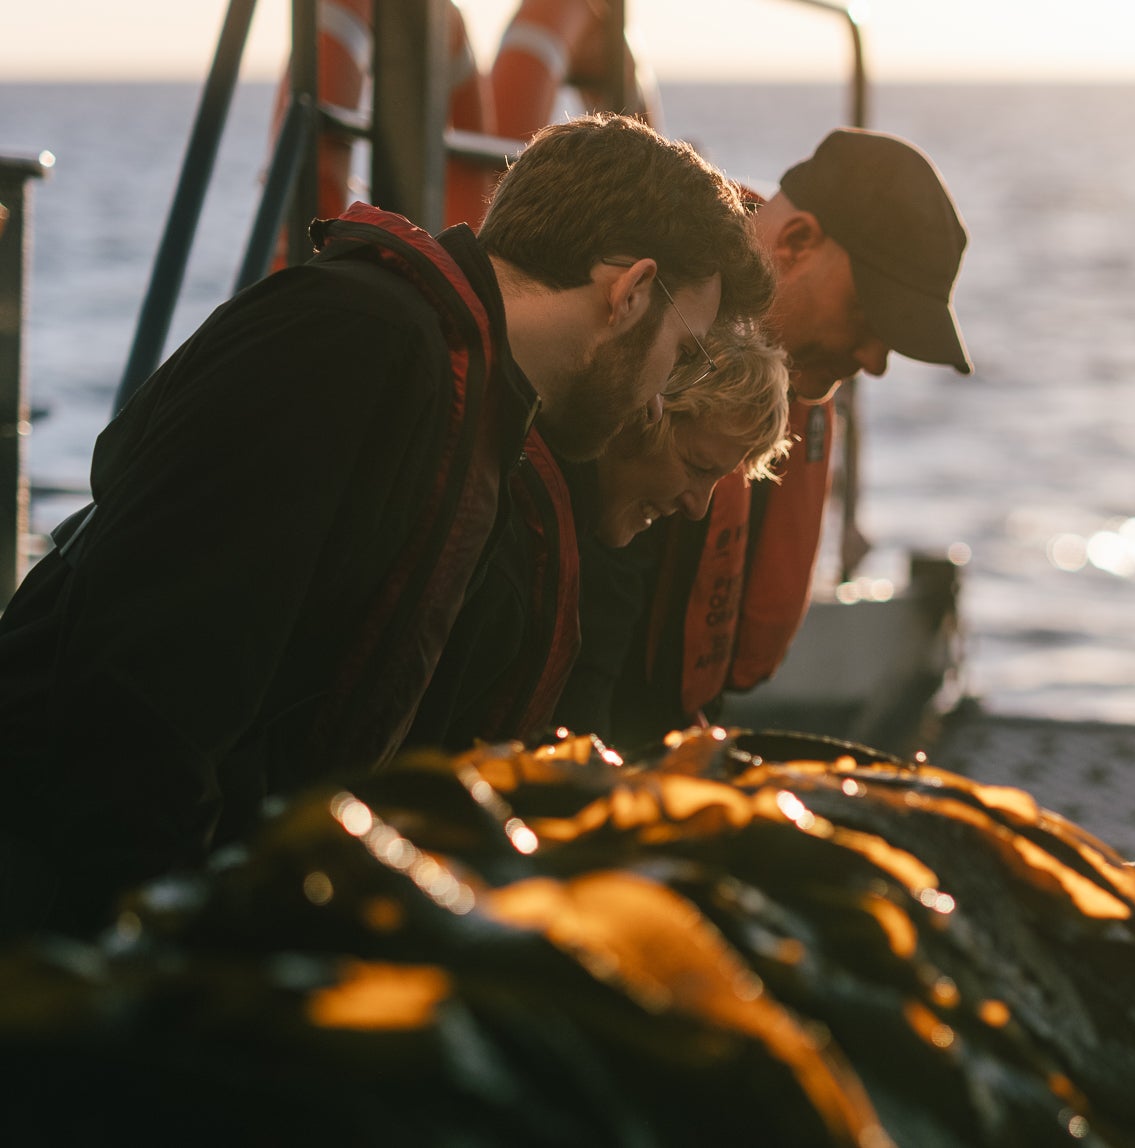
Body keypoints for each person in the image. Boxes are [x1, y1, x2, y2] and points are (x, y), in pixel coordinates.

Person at [0, 112, 772, 938]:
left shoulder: (477, 408)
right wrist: (184, 963)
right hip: (64, 915)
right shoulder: (350, 340)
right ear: (630, 293)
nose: (661, 395)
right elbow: (139, 696)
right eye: (683, 353)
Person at [555, 127, 971, 746]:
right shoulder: (645, 334)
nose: (878, 360)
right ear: (798, 242)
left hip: (672, 739)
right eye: (870, 316)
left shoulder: (779, 386)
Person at [410, 324, 790, 749]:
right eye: (698, 467)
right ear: (642, 407)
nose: (698, 508)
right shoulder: (507, 537)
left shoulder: (601, 557)